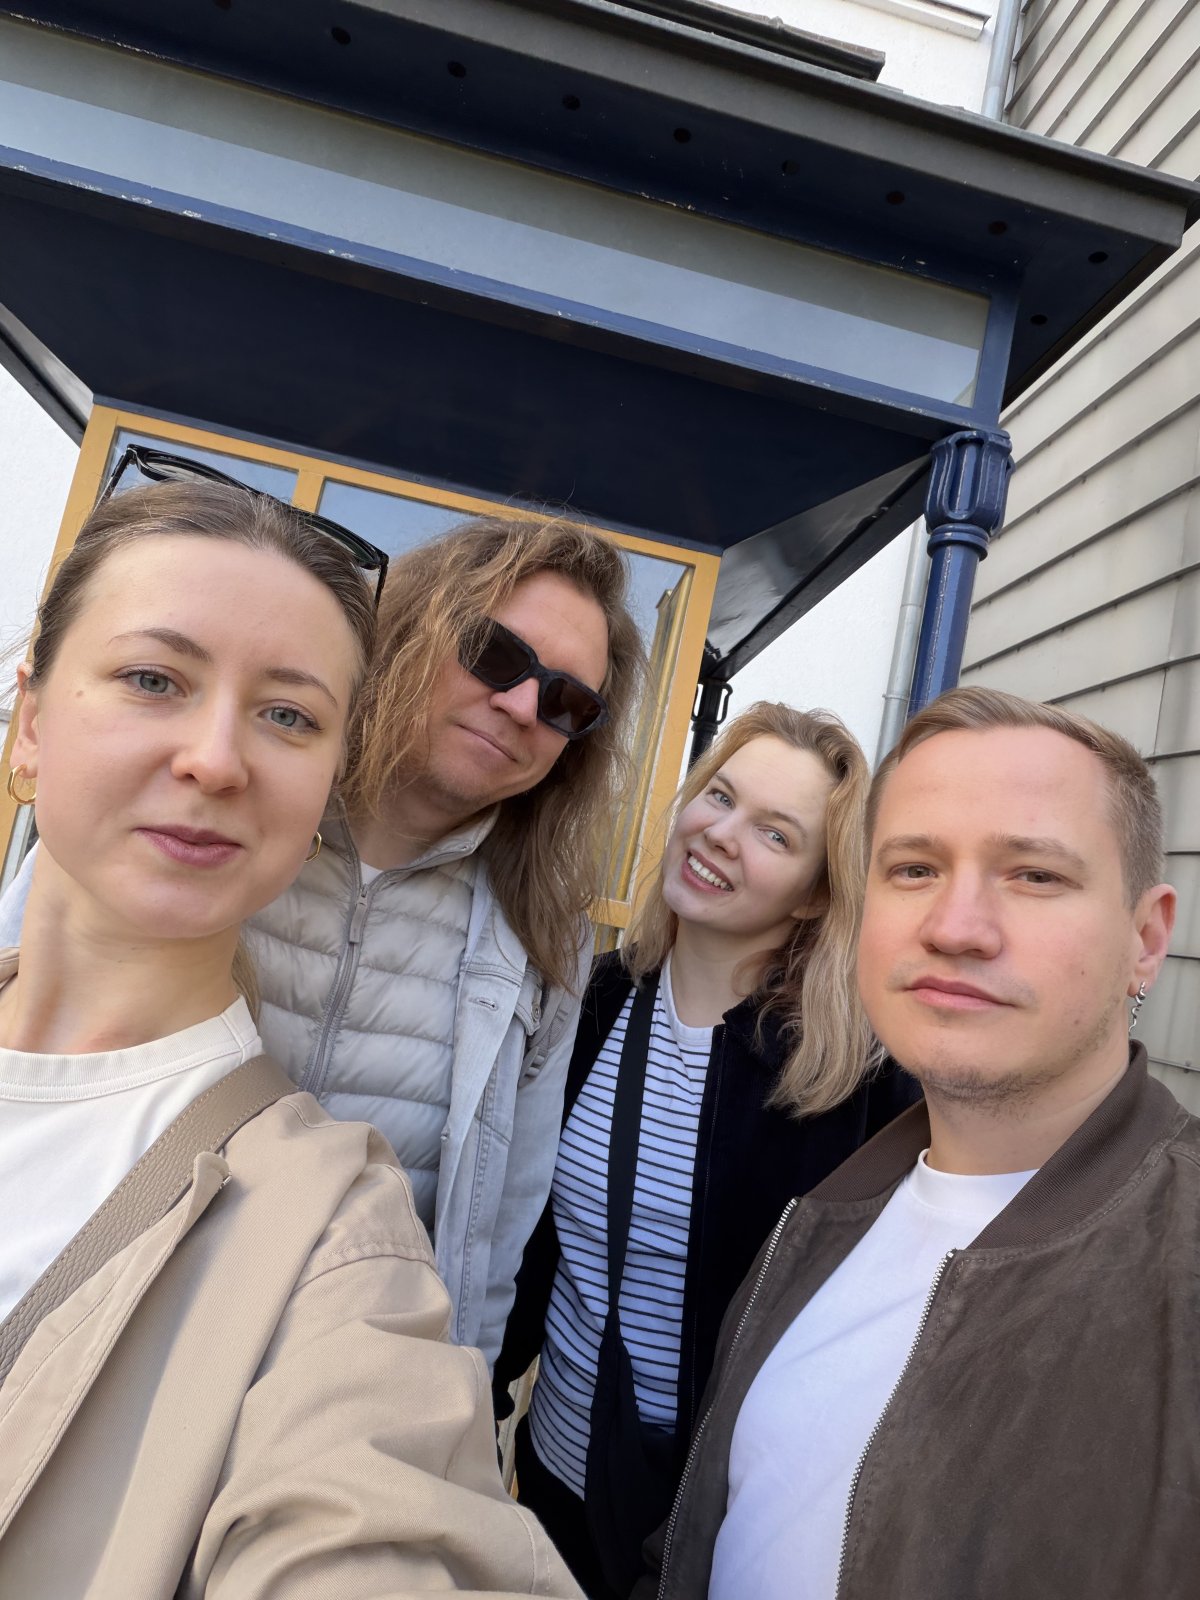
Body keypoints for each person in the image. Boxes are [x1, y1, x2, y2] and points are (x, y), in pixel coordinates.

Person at [0, 477, 583, 1598]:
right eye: (152, 679)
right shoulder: (200, 848)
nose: (215, 762)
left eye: (287, 715)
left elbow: (501, 1209)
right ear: (31, 721)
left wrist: (456, 1382)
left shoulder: (529, 939)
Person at [640, 686, 1190, 1600]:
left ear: (1145, 937)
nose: (954, 927)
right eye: (914, 869)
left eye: (1034, 875)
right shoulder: (821, 1220)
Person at [495, 703, 921, 1598]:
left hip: (710, 1525)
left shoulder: (851, 1083)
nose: (722, 834)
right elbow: (530, 1238)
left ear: (814, 892)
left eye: (774, 832)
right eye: (720, 797)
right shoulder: (595, 1001)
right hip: (551, 1477)